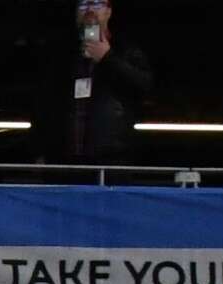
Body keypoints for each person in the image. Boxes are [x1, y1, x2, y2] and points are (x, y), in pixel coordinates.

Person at [50, 1, 155, 164]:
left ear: (108, 12)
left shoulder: (126, 50)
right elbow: (45, 101)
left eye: (97, 4)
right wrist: (41, 148)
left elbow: (144, 86)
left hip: (112, 156)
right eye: (83, 5)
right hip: (65, 157)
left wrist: (107, 57)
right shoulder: (62, 53)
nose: (90, 10)